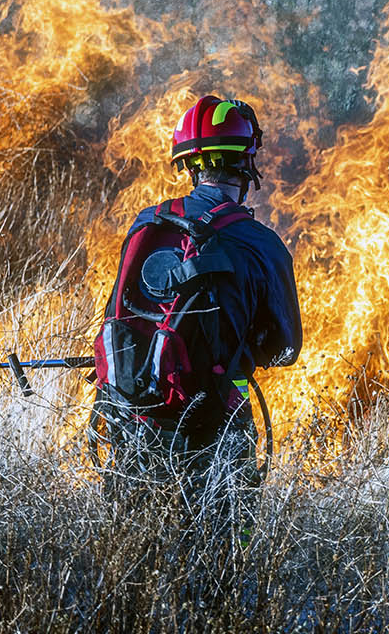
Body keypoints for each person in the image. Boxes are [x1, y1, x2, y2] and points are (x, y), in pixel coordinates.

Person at [90, 95, 301, 488]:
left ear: (189, 166)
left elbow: (118, 313)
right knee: (224, 545)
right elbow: (286, 348)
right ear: (245, 163)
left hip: (132, 424)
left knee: (136, 539)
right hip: (216, 427)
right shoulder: (261, 243)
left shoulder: (147, 225)